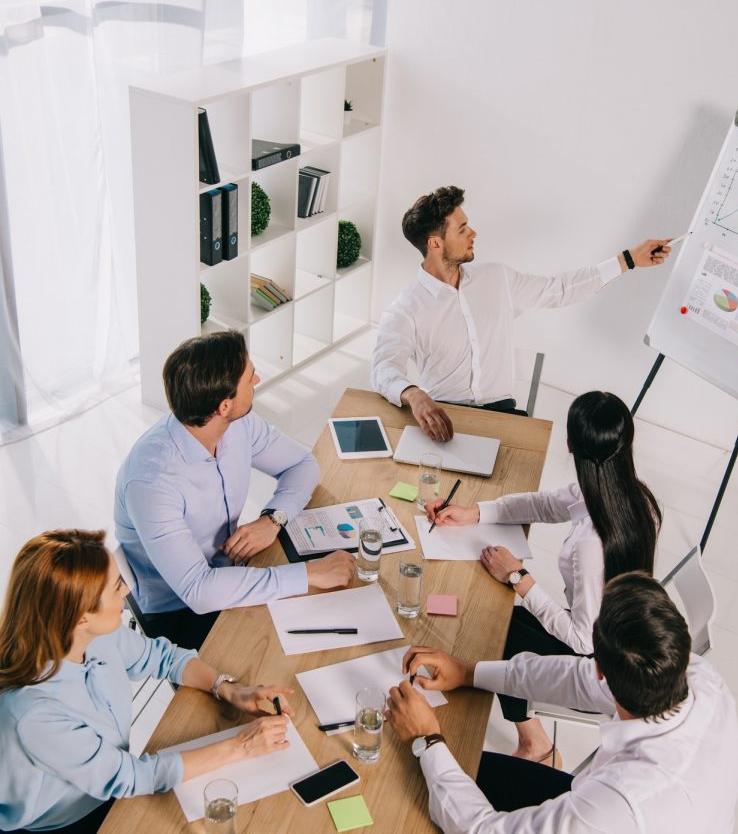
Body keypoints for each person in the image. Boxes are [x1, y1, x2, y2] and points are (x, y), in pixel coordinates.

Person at [386, 572, 738, 834]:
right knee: (460, 762)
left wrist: (427, 739)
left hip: (618, 814)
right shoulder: (697, 675)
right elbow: (573, 678)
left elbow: (484, 831)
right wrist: (468, 673)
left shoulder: (619, 802)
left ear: (601, 667)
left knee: (421, 787)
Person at [0, 530, 296, 834]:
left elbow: (162, 657)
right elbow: (129, 777)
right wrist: (241, 746)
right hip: (70, 821)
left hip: (114, 784)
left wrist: (229, 688)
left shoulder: (90, 635)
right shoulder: (33, 713)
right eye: (117, 587)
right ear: (81, 616)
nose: (127, 590)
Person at [425, 390, 660, 766]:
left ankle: (537, 745)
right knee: (509, 620)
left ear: (569, 445)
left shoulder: (590, 544)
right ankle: (532, 736)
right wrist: (474, 513)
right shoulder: (630, 494)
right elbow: (545, 504)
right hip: (624, 632)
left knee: (501, 637)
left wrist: (518, 576)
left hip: (601, 665)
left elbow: (582, 638)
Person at [371, 185, 672, 441]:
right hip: (445, 418)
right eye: (462, 229)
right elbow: (384, 369)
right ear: (435, 243)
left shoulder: (496, 278)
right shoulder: (406, 308)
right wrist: (412, 393)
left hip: (504, 418)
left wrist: (628, 260)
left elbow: (560, 289)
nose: (473, 233)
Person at [115, 331, 354, 649]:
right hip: (181, 611)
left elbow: (302, 465)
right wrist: (307, 574)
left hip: (235, 568)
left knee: (334, 614)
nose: (258, 378)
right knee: (291, 649)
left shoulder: (236, 423)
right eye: (249, 376)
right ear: (224, 405)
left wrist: (272, 519)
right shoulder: (152, 482)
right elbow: (199, 591)